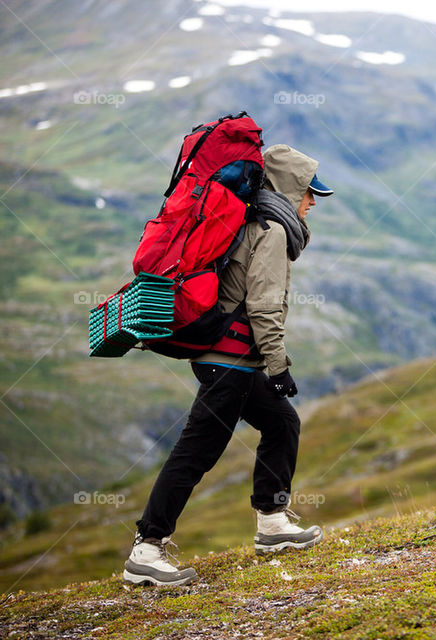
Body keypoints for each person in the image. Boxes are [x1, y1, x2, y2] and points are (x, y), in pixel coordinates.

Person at [122, 145, 334, 586]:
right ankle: (147, 548)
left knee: (282, 423)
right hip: (228, 361)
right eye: (309, 192)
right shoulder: (272, 230)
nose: (313, 202)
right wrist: (278, 366)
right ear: (290, 187)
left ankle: (272, 523)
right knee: (197, 452)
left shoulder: (252, 221)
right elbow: (264, 305)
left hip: (229, 360)